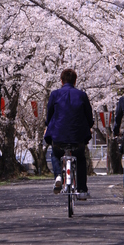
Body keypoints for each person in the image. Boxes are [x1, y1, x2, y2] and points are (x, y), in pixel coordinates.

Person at [44, 68, 94, 200]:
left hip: (58, 137)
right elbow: (89, 117)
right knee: (81, 159)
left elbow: (49, 116)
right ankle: (82, 189)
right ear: (75, 81)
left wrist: (48, 125)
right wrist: (89, 126)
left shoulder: (55, 94)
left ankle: (58, 176)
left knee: (55, 154)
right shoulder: (82, 95)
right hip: (78, 138)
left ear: (61, 81)